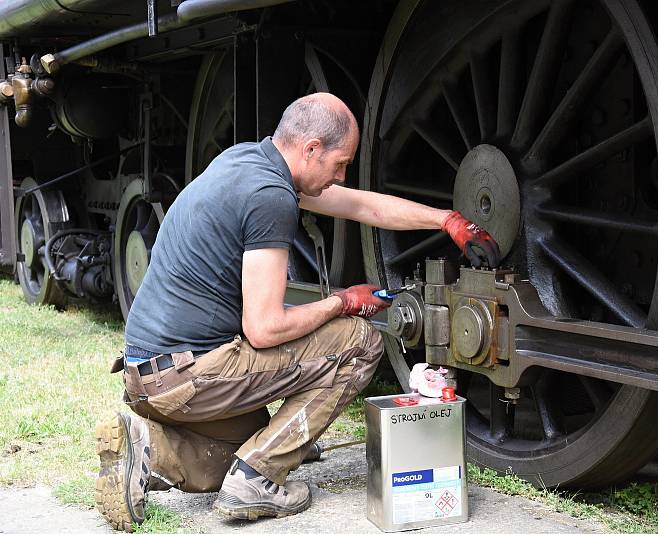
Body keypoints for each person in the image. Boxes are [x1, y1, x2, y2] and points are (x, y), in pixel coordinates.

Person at [94, 92, 500, 531]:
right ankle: (257, 480)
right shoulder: (272, 197)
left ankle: (148, 448)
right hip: (187, 376)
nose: (341, 176)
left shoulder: (246, 162)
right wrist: (343, 302)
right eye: (340, 164)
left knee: (247, 444)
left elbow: (362, 205)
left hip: (146, 376)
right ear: (310, 149)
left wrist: (447, 220)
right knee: (359, 341)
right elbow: (264, 328)